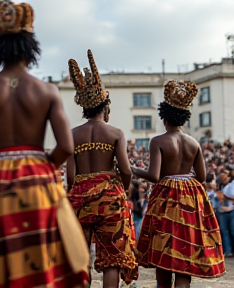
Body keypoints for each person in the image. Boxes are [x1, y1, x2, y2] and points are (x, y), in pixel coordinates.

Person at [0, 1, 88, 287]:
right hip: (37, 181)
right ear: (31, 47)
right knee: (40, 259)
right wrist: (38, 167)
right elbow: (66, 147)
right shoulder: (46, 90)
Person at [131, 80, 225, 288]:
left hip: (166, 200)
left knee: (164, 255)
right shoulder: (194, 143)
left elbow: (154, 176)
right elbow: (201, 176)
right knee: (185, 256)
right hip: (190, 201)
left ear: (164, 116)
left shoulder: (158, 141)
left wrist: (134, 169)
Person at [67, 50, 138, 287]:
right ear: (105, 105)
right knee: (112, 260)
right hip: (111, 199)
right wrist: (122, 190)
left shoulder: (72, 135)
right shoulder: (115, 133)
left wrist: (76, 193)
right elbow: (126, 170)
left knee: (80, 258)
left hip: (78, 199)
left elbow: (70, 176)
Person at [217, 169, 234, 257]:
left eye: (225, 176)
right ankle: (228, 250)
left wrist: (222, 195)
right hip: (222, 211)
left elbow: (232, 196)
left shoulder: (232, 185)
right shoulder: (220, 186)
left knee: (233, 231)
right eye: (221, 177)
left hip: (232, 210)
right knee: (225, 231)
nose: (223, 178)